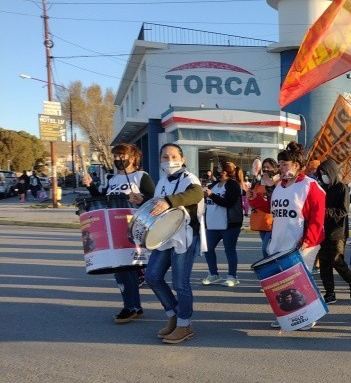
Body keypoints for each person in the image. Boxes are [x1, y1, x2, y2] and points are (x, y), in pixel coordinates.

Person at [83, 143, 154, 323]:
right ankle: (134, 307)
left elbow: (154, 200)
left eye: (121, 156)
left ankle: (130, 307)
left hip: (133, 229)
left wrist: (142, 199)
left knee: (126, 268)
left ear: (132, 157)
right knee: (120, 269)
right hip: (113, 231)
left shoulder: (141, 177)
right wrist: (90, 187)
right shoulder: (113, 180)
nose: (117, 159)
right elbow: (103, 201)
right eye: (115, 156)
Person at [144, 143, 206, 344]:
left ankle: (184, 324)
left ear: (182, 159)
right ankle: (174, 315)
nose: (169, 160)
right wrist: (142, 201)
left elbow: (197, 194)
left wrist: (169, 201)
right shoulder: (162, 181)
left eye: (173, 156)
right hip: (165, 234)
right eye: (164, 157)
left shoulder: (190, 179)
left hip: (184, 236)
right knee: (152, 276)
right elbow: (157, 204)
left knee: (180, 282)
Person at [266, 142, 325, 329]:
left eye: (285, 163)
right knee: (283, 283)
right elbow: (275, 212)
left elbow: (318, 217)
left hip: (303, 243)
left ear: (297, 165)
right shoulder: (279, 187)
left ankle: (308, 316)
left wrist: (308, 240)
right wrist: (255, 199)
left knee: (301, 282)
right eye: (280, 164)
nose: (281, 167)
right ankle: (288, 315)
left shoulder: (310, 185)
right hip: (280, 242)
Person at [316, 159, 351, 304]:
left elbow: (343, 211)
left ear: (331, 172)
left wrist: (325, 212)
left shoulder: (342, 188)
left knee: (336, 260)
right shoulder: (321, 188)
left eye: (325, 173)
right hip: (322, 231)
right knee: (324, 263)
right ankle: (330, 293)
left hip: (337, 231)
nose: (323, 176)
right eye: (321, 173)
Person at [201, 161, 245, 287]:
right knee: (208, 249)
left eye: (219, 168)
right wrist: (206, 195)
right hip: (212, 224)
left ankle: (232, 276)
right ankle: (213, 274)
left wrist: (212, 195)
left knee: (229, 250)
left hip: (229, 224)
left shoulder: (233, 185)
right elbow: (209, 199)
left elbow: (228, 203)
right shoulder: (214, 184)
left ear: (225, 171)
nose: (216, 170)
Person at [247, 158, 279, 258]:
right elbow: (252, 201)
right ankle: (270, 268)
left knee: (266, 248)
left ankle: (270, 268)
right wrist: (251, 196)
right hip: (260, 221)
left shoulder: (278, 183)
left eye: (268, 167)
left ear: (274, 169)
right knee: (267, 248)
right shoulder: (258, 183)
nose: (265, 169)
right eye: (264, 167)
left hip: (271, 221)